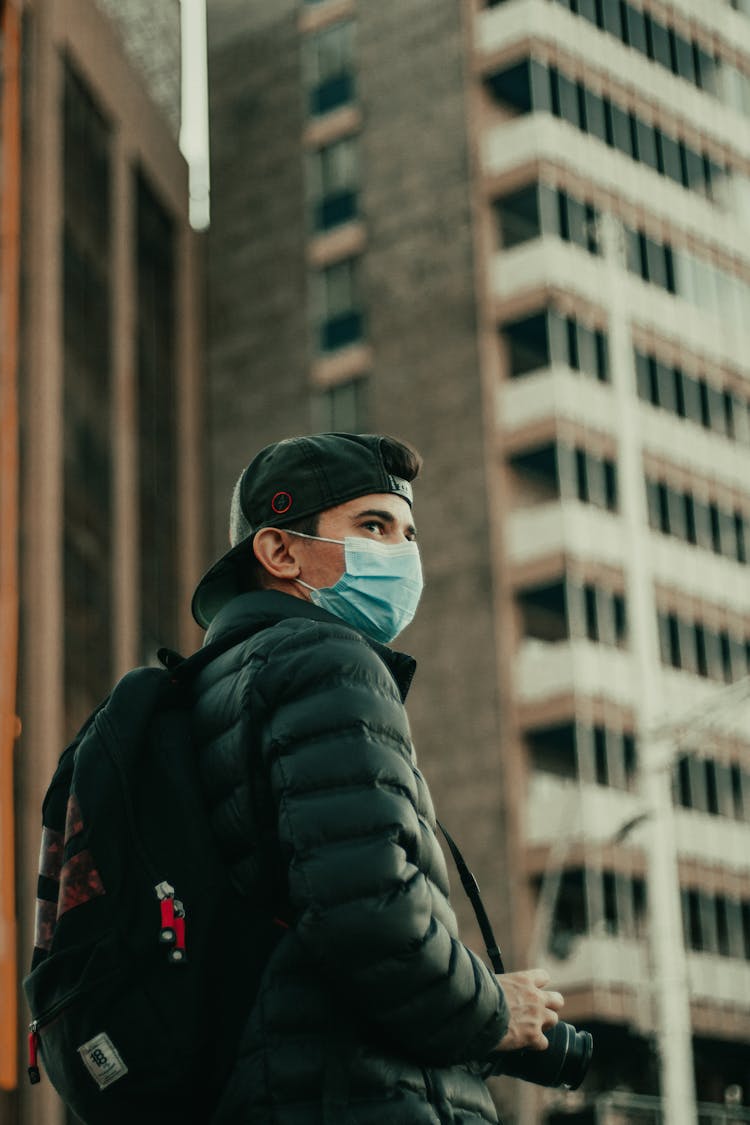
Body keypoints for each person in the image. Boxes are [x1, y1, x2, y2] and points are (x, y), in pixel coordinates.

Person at [190, 432, 564, 1124]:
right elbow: (367, 913)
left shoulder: (221, 682)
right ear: (279, 551)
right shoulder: (326, 659)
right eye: (372, 526)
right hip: (355, 1095)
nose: (402, 554)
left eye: (407, 532)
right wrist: (493, 1009)